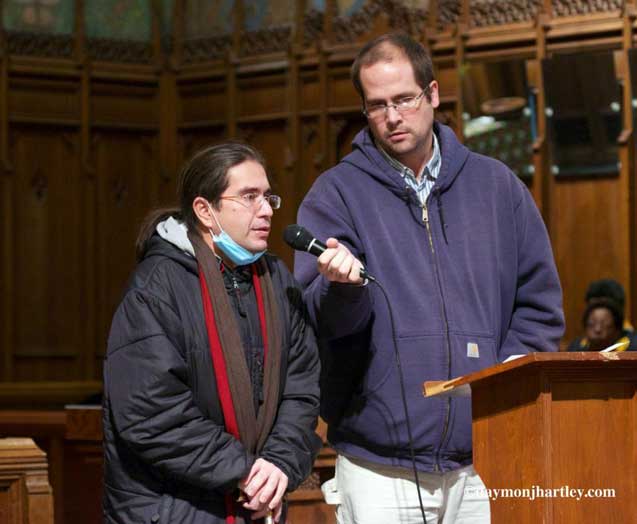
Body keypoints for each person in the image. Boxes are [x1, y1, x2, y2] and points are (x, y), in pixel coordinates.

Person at [294, 33, 564, 523]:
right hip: (379, 463)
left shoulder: (498, 186)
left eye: (403, 99)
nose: (392, 117)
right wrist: (343, 288)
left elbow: (539, 307)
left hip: (484, 459)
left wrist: (502, 387)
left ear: (433, 94)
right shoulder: (336, 193)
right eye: (376, 106)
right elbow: (317, 321)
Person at [103, 143, 322, 524]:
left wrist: (278, 463)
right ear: (205, 211)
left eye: (268, 196)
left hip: (256, 497)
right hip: (175, 508)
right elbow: (149, 412)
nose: (267, 209)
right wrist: (245, 471)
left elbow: (301, 387)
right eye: (249, 197)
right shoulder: (156, 288)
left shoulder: (276, 280)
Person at [567, 298, 637, 352]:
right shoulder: (575, 348)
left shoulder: (632, 349)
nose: (597, 329)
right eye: (592, 324)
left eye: (604, 324)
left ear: (617, 329)